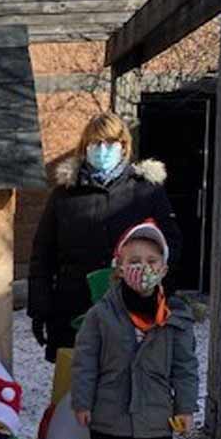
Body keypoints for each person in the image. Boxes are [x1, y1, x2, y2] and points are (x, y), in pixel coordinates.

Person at [71, 220, 199, 439]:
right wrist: (83, 402)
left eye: (151, 261)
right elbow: (85, 362)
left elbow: (185, 367)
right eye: (134, 261)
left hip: (154, 421)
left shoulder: (175, 318)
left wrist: (185, 408)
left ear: (164, 269)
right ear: (119, 268)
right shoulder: (101, 315)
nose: (143, 268)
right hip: (109, 416)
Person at [27, 111, 182, 362]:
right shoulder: (65, 195)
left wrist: (156, 290)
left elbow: (170, 246)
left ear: (123, 146)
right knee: (78, 380)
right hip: (74, 308)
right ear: (85, 146)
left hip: (132, 307)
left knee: (127, 377)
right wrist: (40, 308)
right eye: (95, 142)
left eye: (110, 142)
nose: (102, 149)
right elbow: (42, 254)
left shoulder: (146, 191)